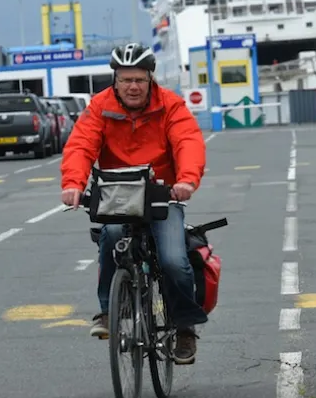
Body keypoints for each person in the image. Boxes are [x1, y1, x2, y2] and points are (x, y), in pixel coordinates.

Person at [60, 42, 208, 365]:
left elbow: (188, 141)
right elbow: (81, 145)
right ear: (115, 80)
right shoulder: (99, 107)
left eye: (139, 79)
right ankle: (108, 311)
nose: (133, 86)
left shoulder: (170, 105)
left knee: (172, 258)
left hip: (162, 194)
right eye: (126, 79)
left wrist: (186, 181)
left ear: (150, 79)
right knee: (111, 237)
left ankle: (184, 326)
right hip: (118, 195)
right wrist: (73, 184)